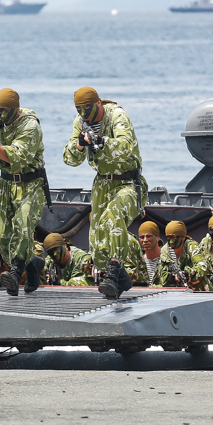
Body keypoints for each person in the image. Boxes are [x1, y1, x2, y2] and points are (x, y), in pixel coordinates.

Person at [62, 86, 148, 300]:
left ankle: (114, 270)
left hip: (128, 181)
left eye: (88, 109)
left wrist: (101, 141)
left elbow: (125, 147)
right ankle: (121, 279)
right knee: (98, 242)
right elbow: (69, 159)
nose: (84, 114)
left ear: (99, 103)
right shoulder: (80, 122)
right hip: (102, 184)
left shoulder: (117, 115)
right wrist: (80, 145)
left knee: (114, 216)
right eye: (79, 109)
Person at [0, 88, 47, 296]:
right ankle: (32, 264)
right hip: (6, 183)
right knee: (1, 234)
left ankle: (17, 272)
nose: (2, 116)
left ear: (16, 109)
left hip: (30, 183)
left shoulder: (30, 125)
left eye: (7, 111)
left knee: (23, 225)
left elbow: (17, 156)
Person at [154, 220, 212, 290]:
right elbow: (160, 274)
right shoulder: (165, 252)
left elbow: (203, 266)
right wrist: (170, 277)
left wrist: (187, 274)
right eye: (169, 238)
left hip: (198, 291)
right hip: (175, 293)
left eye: (175, 238)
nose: (171, 241)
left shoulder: (191, 246)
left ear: (183, 237)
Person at [137, 221, 163, 285]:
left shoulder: (167, 259)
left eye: (149, 236)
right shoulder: (137, 261)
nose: (145, 240)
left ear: (157, 238)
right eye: (142, 237)